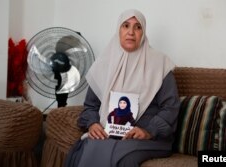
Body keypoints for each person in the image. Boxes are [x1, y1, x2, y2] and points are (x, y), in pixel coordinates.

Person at [65, 9, 180, 167]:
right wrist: (93, 124)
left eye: (137, 27)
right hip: (110, 132)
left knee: (122, 156)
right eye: (126, 26)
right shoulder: (104, 64)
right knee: (87, 148)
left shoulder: (160, 64)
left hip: (147, 137)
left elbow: (170, 107)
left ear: (143, 32)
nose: (131, 32)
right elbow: (91, 105)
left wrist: (149, 131)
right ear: (119, 30)